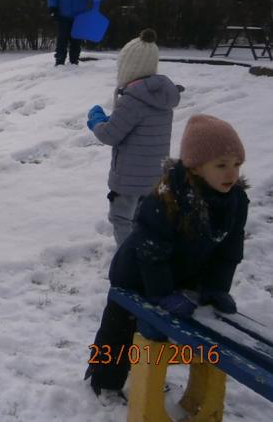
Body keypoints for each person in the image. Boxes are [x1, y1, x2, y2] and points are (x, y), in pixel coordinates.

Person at [85, 114, 248, 397]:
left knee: (155, 333)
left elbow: (228, 251)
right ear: (196, 167)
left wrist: (216, 288)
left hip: (180, 275)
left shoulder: (236, 201)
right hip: (136, 274)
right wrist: (161, 293)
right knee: (119, 330)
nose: (231, 174)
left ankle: (146, 376)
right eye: (221, 165)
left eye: (237, 164)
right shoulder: (168, 198)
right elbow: (152, 252)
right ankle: (103, 381)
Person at [86, 29, 183, 245]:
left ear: (129, 67)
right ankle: (144, 250)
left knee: (121, 218)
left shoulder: (133, 99)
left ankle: (127, 258)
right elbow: (138, 126)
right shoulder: (160, 97)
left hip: (129, 178)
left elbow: (110, 134)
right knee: (142, 217)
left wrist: (96, 120)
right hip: (154, 176)